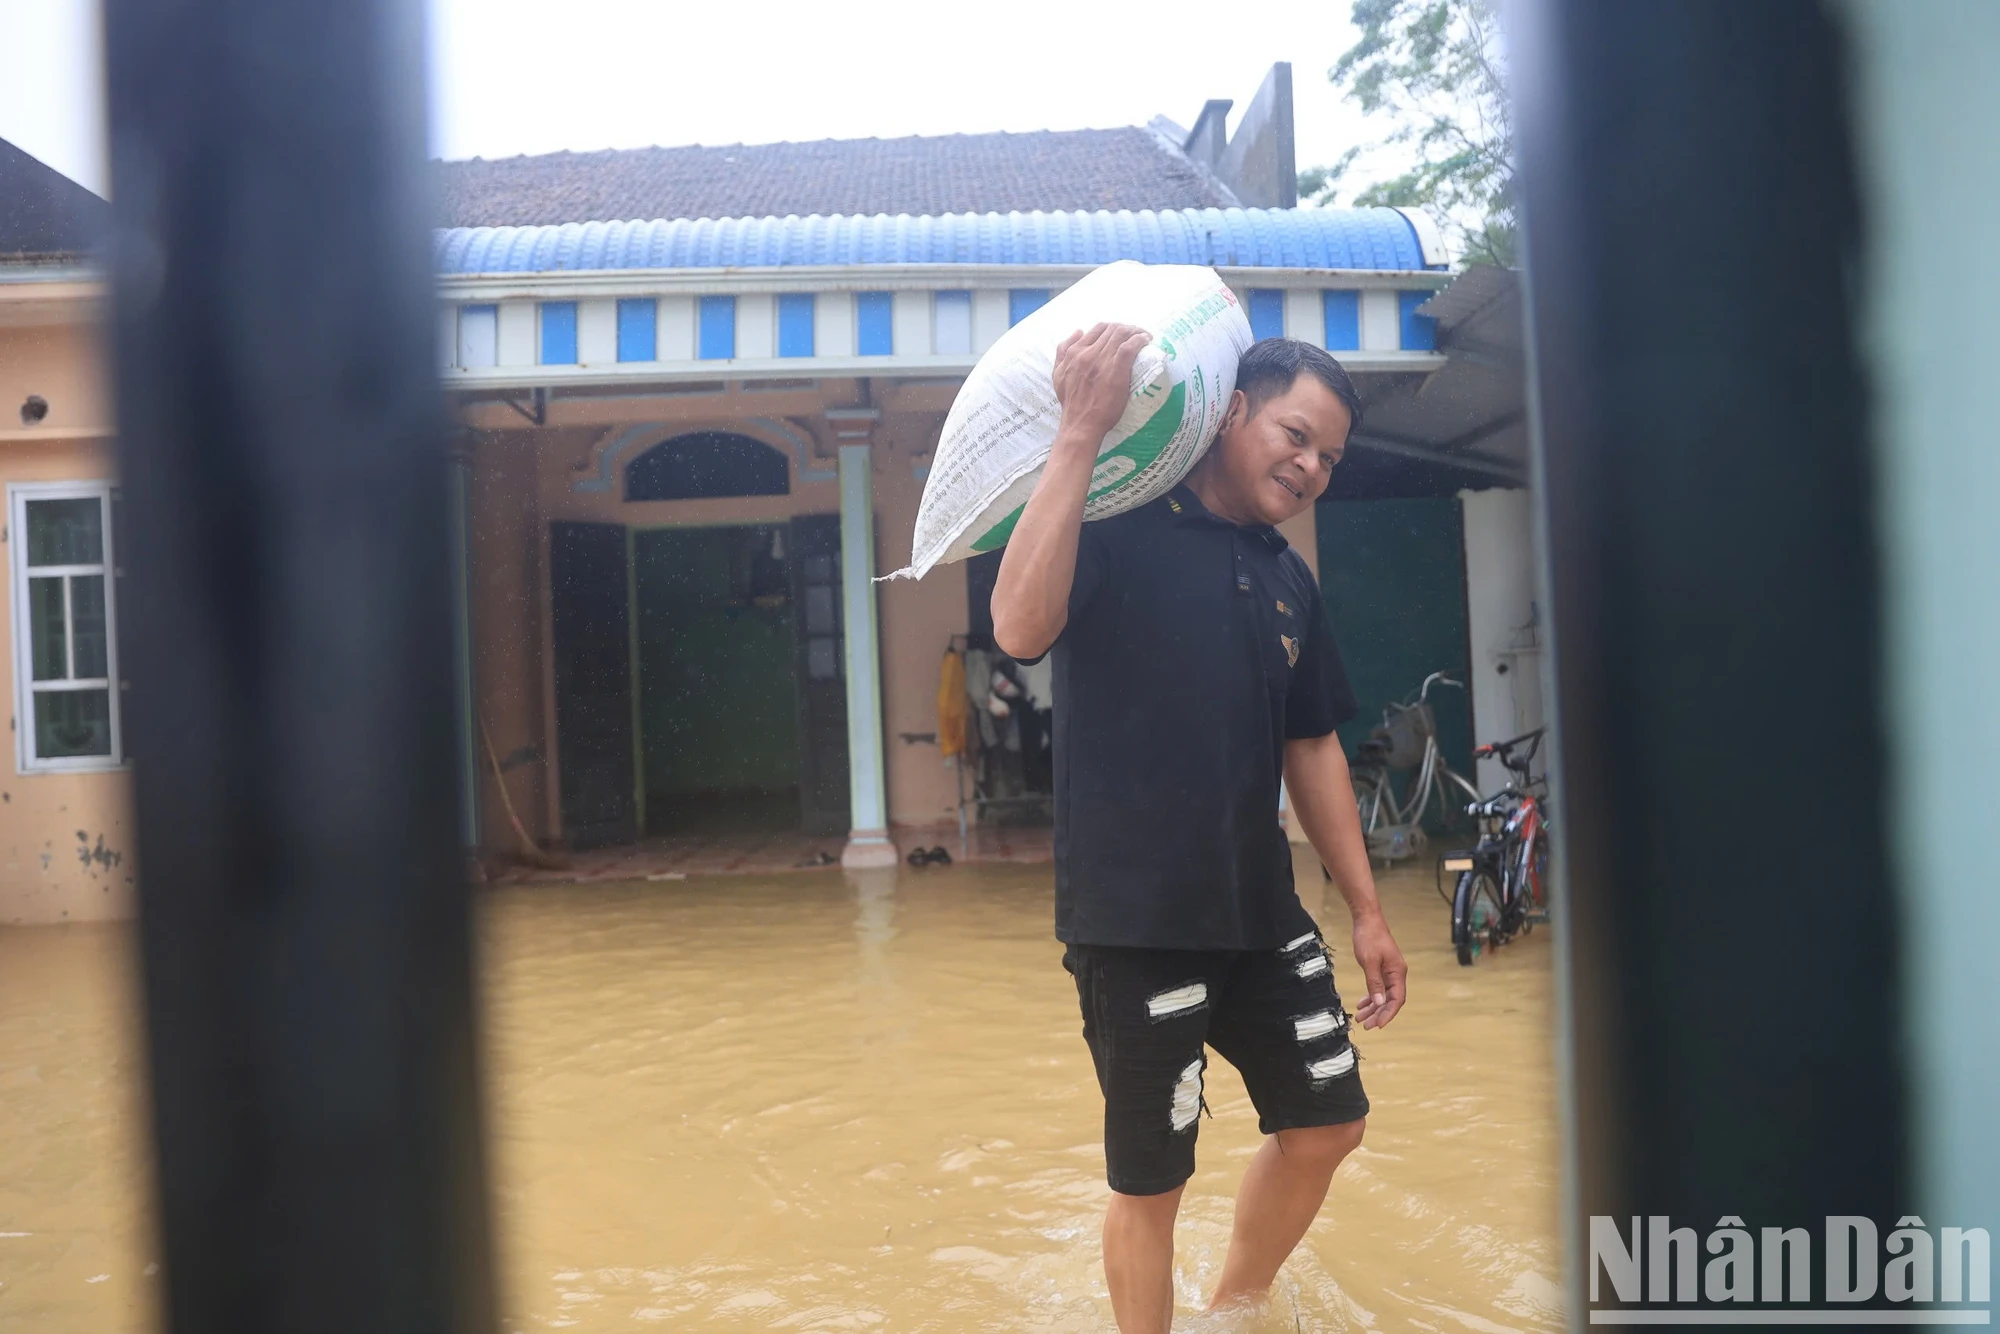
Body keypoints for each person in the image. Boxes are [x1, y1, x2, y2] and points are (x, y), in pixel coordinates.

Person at [991, 326, 1408, 1332]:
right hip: (1134, 919)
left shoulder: (1283, 576)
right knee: (1151, 1180)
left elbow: (1310, 746)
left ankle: (1235, 1306)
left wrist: (1363, 907)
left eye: (1327, 458)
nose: (1308, 466)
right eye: (1295, 434)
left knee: (1328, 1122)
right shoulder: (1110, 525)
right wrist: (1080, 431)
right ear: (1230, 411)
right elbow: (1015, 626)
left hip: (1260, 909)